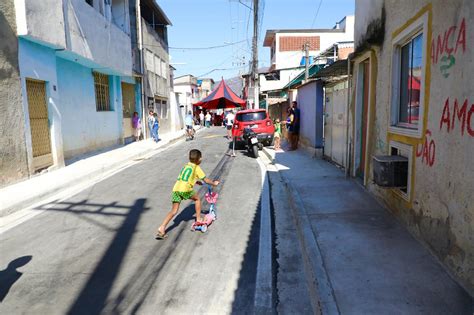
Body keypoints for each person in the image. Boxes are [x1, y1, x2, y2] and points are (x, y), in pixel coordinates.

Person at [155, 149, 220, 239]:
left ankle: (162, 227)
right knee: (197, 199)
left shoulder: (186, 166)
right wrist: (214, 183)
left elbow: (185, 177)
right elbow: (206, 180)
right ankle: (198, 218)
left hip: (176, 189)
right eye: (201, 158)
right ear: (199, 159)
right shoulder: (196, 168)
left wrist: (196, 182)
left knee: (174, 211)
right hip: (185, 189)